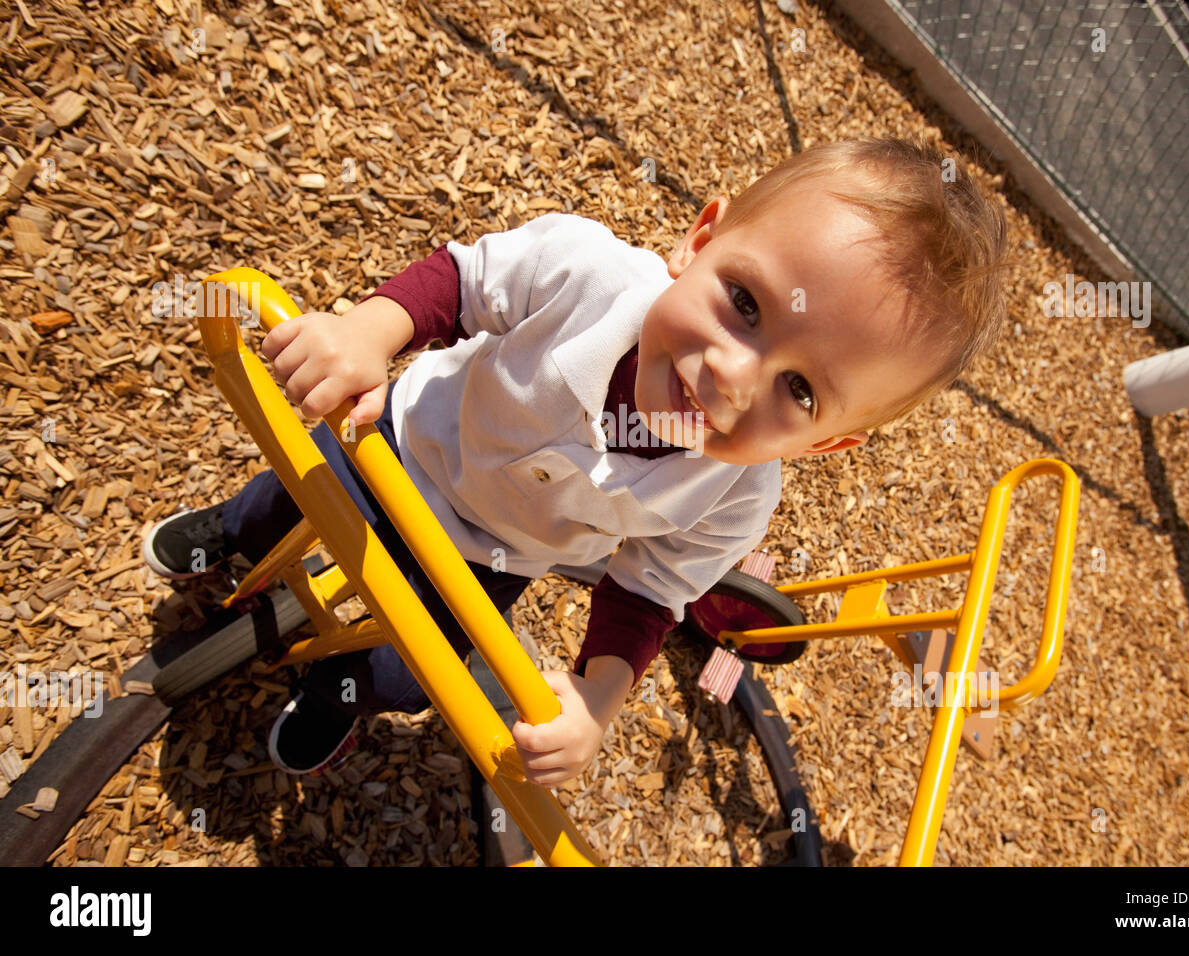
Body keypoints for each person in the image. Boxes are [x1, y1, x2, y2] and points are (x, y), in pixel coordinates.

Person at [142, 137, 1007, 784]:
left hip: (495, 554)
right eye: (744, 303)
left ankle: (349, 687)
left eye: (803, 392)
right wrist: (369, 331)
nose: (732, 375)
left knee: (414, 675)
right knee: (282, 502)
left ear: (826, 444)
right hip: (407, 442)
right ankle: (231, 533)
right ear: (698, 242)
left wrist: (597, 701)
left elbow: (649, 590)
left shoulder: (736, 497)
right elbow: (464, 281)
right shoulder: (587, 274)